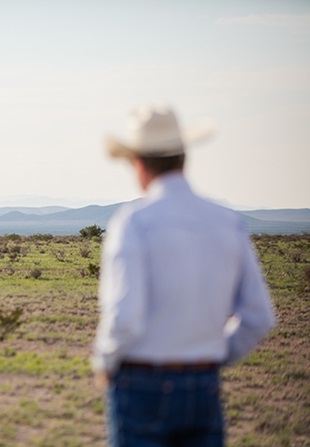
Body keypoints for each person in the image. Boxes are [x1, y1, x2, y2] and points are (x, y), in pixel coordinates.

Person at [91, 105, 276, 447]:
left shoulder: (133, 223)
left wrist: (105, 359)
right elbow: (258, 317)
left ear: (138, 163)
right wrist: (212, 356)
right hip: (203, 385)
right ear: (184, 157)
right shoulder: (227, 222)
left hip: (141, 382)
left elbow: (125, 317)